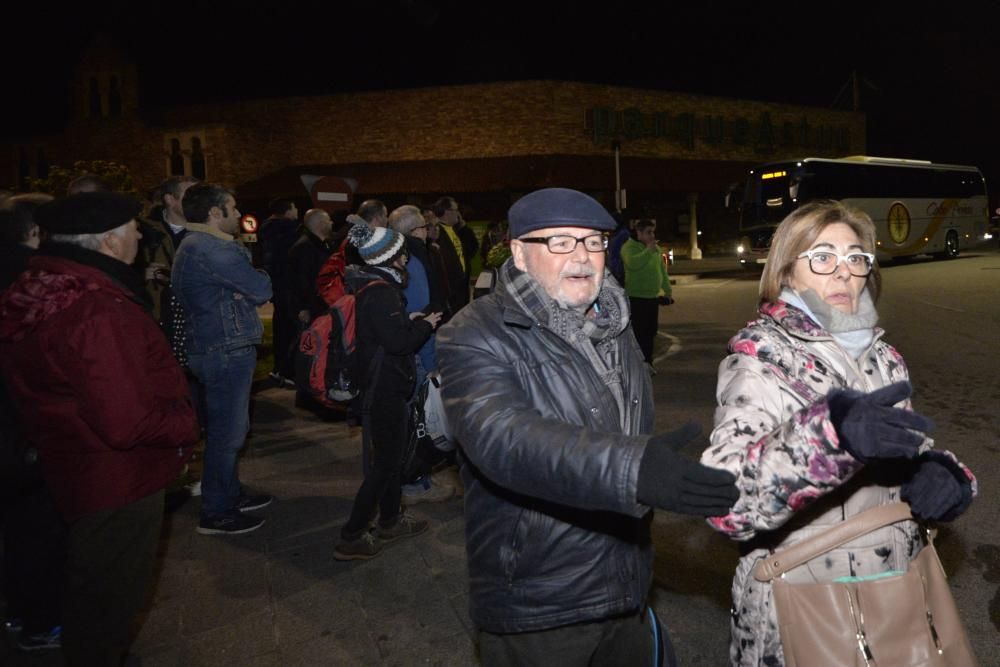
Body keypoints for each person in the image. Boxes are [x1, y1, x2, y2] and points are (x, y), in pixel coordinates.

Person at [436, 187, 739, 666]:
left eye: (593, 241)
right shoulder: (473, 333)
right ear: (518, 251)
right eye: (559, 242)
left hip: (627, 582)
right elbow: (503, 437)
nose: (581, 256)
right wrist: (633, 470)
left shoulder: (614, 322)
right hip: (540, 601)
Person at [699, 200, 977, 666]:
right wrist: (828, 439)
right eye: (823, 257)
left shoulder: (882, 355)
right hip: (806, 604)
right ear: (787, 273)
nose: (844, 273)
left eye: (855, 258)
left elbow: (906, 445)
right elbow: (727, 501)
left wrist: (941, 473)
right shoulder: (760, 361)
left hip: (898, 594)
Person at [0, 191, 199, 665]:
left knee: (93, 587)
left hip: (75, 461)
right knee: (109, 599)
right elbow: (127, 421)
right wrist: (187, 423)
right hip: (116, 478)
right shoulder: (95, 309)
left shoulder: (44, 287)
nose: (138, 239)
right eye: (133, 230)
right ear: (109, 243)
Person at [333, 223, 443, 561]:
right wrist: (425, 324)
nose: (407, 259)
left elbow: (383, 333)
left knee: (392, 460)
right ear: (392, 258)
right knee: (384, 465)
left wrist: (406, 320)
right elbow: (398, 343)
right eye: (402, 254)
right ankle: (351, 536)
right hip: (384, 388)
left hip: (385, 383)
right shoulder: (381, 292)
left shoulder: (372, 285)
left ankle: (391, 520)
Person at [171, 183, 274, 535]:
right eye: (232, 208)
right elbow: (261, 288)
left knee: (230, 430)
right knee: (226, 434)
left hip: (217, 345)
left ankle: (229, 493)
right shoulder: (211, 248)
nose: (238, 213)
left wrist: (240, 288)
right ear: (215, 213)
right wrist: (247, 283)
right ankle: (217, 511)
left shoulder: (196, 244)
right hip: (224, 349)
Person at [387, 204, 454, 505]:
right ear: (415, 231)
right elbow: (423, 316)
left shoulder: (400, 257)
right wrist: (431, 366)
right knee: (420, 421)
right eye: (425, 227)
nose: (429, 231)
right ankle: (415, 483)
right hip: (418, 354)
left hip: (404, 354)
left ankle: (412, 479)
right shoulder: (414, 260)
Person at [258, 197, 300, 387]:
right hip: (289, 288)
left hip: (276, 287)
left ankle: (279, 368)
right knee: (291, 331)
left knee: (280, 328)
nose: (297, 211)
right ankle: (289, 372)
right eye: (295, 207)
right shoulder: (290, 230)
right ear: (288, 211)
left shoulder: (267, 230)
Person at [621, 218, 673, 371]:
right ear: (639, 233)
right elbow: (633, 264)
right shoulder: (629, 247)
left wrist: (668, 291)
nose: (652, 235)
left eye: (653, 232)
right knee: (639, 334)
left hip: (652, 298)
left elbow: (662, 271)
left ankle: (648, 364)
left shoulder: (655, 249)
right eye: (648, 232)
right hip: (636, 298)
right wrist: (648, 251)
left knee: (650, 333)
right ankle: (639, 366)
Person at [431, 196, 478, 314]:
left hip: (462, 287)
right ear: (447, 212)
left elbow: (471, 249)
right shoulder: (436, 232)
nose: (458, 213)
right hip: (451, 291)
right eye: (456, 210)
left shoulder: (456, 230)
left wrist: (464, 227)